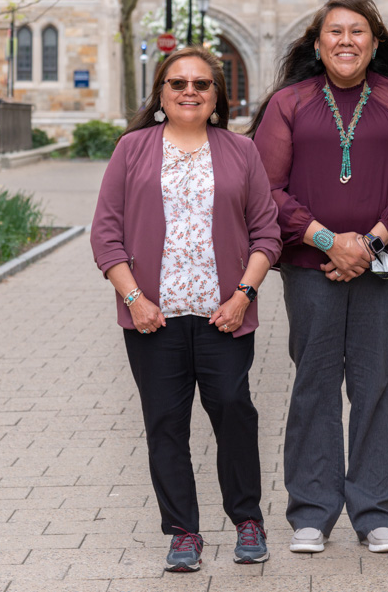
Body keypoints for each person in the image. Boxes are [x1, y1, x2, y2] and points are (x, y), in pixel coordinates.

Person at [249, 0, 388, 554]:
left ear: (375, 43)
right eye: (335, 31)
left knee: (378, 383)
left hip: (383, 262)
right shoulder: (289, 102)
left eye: (358, 31)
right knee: (314, 382)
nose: (346, 40)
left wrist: (372, 239)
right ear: (317, 42)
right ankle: (312, 511)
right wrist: (329, 240)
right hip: (310, 265)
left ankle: (375, 512)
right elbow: (266, 186)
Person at [91, 46, 281, 572]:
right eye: (178, 83)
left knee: (235, 414)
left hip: (225, 315)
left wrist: (243, 296)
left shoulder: (241, 151)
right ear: (161, 93)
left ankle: (248, 520)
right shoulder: (131, 149)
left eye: (201, 84)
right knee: (166, 424)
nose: (189, 91)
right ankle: (183, 533)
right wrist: (135, 299)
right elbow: (106, 235)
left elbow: (268, 232)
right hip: (153, 320)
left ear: (217, 96)